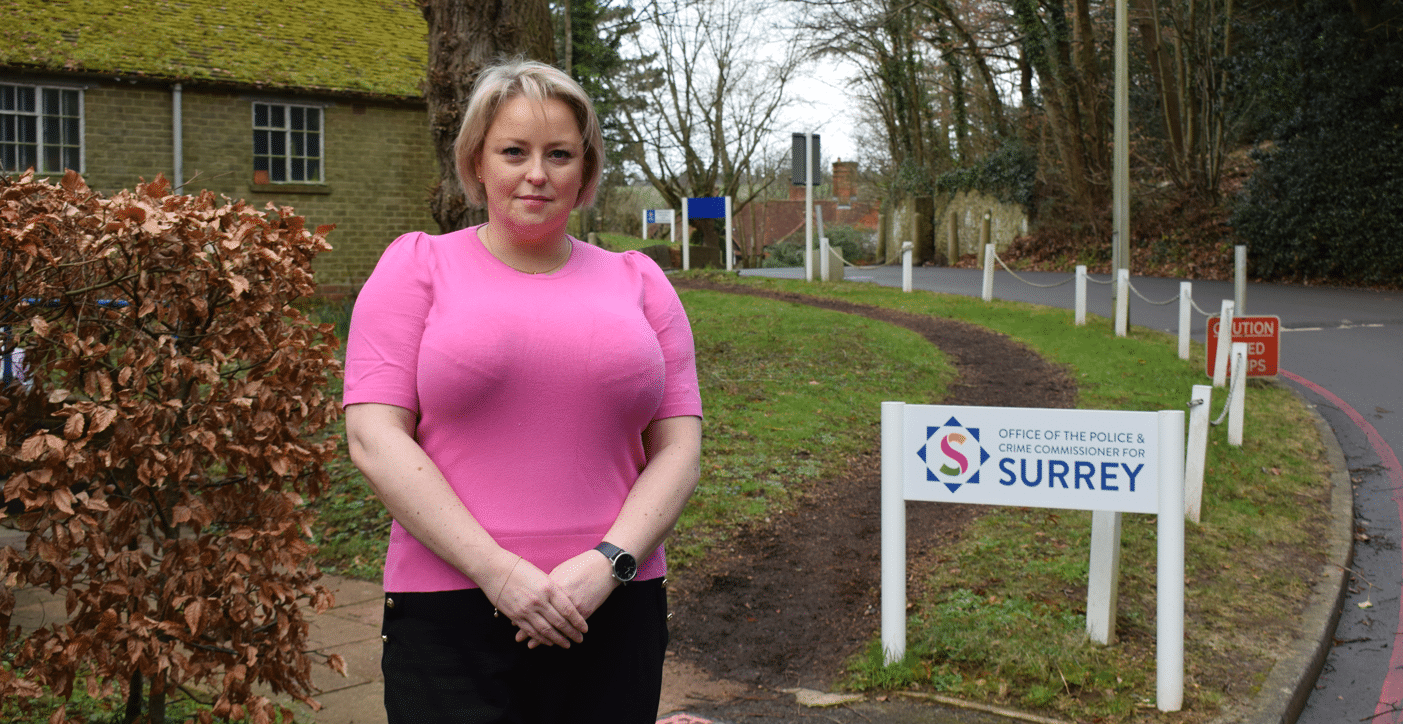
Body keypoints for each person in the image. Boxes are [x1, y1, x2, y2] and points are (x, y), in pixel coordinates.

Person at [342, 58, 703, 723]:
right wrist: (499, 574)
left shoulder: (641, 282)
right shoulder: (416, 267)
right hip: (448, 611)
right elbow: (372, 437)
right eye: (514, 151)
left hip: (613, 604)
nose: (537, 173)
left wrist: (606, 565)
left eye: (559, 153)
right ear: (477, 161)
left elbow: (679, 448)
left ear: (585, 171)